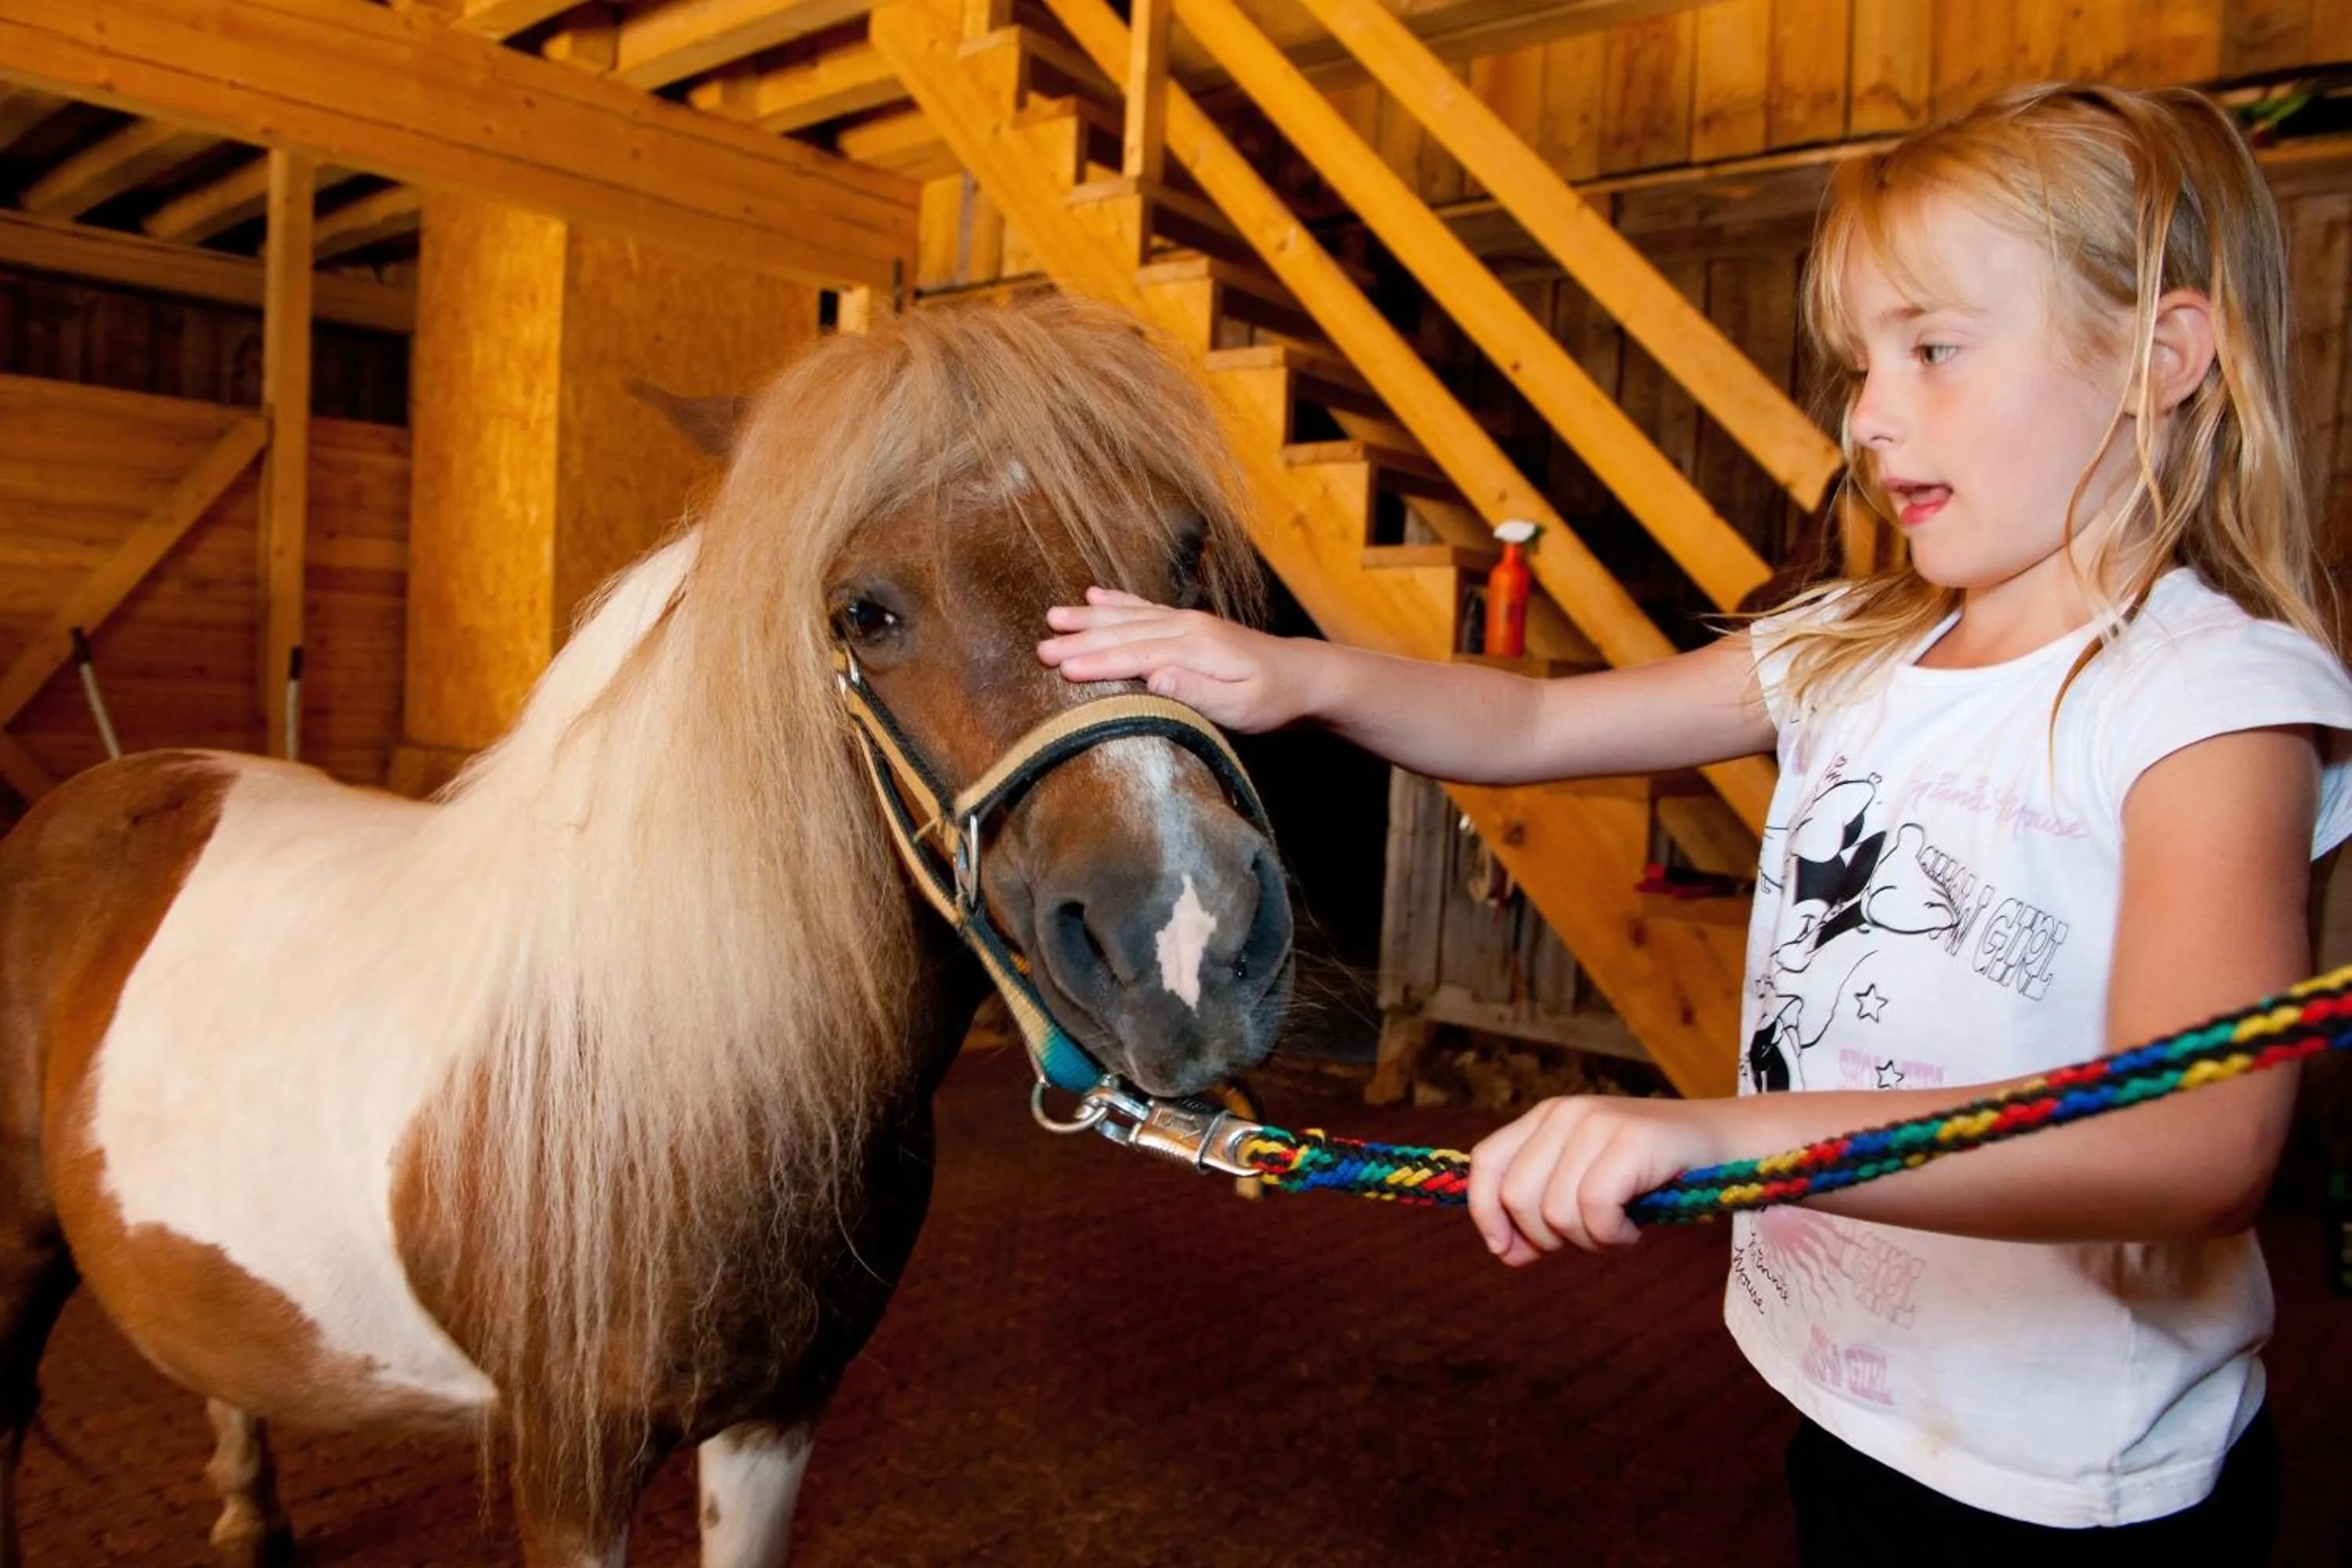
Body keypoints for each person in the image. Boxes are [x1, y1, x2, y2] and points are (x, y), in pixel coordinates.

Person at [1036, 82, 2352, 1563]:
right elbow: (1538, 725)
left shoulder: (2204, 696)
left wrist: (1722, 1135)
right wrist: (1293, 673)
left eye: (1934, 350)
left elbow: (2194, 1143)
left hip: (2072, 1489)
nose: (1869, 415)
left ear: (2162, 357)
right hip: (1851, 1398)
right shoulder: (1855, 641)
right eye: (1862, 364)